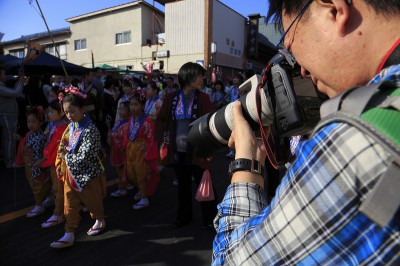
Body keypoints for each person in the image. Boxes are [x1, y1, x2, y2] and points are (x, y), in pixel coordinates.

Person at [212, 0, 400, 265]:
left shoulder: (358, 139)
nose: (301, 69)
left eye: (290, 44)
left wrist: (247, 162)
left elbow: (233, 260)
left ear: (334, 9)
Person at [156, 62, 218, 228]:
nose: (201, 79)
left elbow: (212, 122)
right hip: (178, 150)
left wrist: (210, 147)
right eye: (198, 76)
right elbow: (161, 119)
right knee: (182, 187)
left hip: (198, 150)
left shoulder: (203, 98)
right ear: (187, 77)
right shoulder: (171, 98)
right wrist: (162, 141)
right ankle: (184, 217)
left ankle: (211, 219)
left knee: (205, 184)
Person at [51, 89, 106, 248]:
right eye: (66, 112)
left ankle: (100, 219)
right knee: (70, 203)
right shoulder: (71, 126)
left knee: (92, 201)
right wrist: (63, 155)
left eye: (72, 111)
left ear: (83, 109)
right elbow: (64, 144)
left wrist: (65, 156)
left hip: (87, 174)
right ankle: (69, 233)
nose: (69, 115)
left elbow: (87, 155)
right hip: (71, 171)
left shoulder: (91, 129)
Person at [122, 93, 159, 209]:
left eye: (136, 105)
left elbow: (151, 139)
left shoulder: (147, 121)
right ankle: (142, 190)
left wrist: (144, 150)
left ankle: (144, 198)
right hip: (131, 148)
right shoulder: (132, 119)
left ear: (142, 106)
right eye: (131, 105)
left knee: (141, 173)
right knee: (130, 173)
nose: (132, 107)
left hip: (141, 149)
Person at [15, 106, 50, 218]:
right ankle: (48, 198)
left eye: (33, 122)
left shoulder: (41, 137)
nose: (30, 124)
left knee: (38, 185)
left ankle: (39, 205)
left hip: (38, 165)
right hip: (32, 164)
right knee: (39, 184)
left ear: (41, 122)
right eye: (28, 121)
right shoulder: (30, 135)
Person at [40, 100, 68, 228]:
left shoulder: (61, 127)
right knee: (59, 188)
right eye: (49, 111)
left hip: (58, 162)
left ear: (61, 113)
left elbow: (53, 148)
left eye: (52, 111)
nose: (49, 114)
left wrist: (43, 160)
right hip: (56, 161)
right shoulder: (55, 124)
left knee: (59, 188)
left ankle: (58, 214)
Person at [0, 64, 24, 167]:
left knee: (8, 139)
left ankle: (8, 158)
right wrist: (21, 82)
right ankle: (10, 161)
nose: (4, 76)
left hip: (8, 115)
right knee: (10, 139)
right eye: (3, 73)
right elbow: (16, 92)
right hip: (6, 115)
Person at [109, 101, 131, 198]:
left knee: (122, 169)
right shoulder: (118, 121)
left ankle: (122, 188)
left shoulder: (129, 123)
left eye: (123, 109)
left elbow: (125, 138)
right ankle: (127, 184)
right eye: (120, 109)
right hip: (116, 149)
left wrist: (113, 135)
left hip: (122, 150)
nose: (120, 111)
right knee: (121, 169)